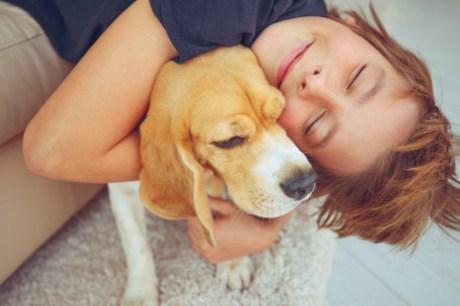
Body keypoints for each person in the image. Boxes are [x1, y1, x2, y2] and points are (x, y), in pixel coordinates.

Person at [2, 0, 459, 265]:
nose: (316, 82)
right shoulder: (224, 8)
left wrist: (269, 219)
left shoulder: (278, 41)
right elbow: (52, 151)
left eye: (318, 122)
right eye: (357, 77)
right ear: (357, 28)